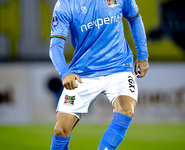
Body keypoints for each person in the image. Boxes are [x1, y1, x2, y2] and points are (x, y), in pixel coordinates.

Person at [49, 0, 149, 149]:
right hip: (82, 74)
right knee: (61, 130)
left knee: (126, 110)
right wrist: (65, 73)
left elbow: (134, 18)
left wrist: (143, 56)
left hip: (119, 68)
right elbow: (55, 46)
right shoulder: (66, 4)